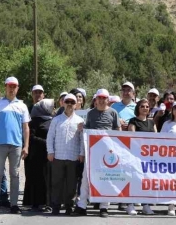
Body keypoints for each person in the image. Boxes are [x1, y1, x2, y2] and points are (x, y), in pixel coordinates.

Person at [0, 77, 30, 215]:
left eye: (14, 86)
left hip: (16, 144)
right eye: (9, 86)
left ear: (17, 88)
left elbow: (26, 128)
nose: (12, 89)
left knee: (15, 175)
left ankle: (14, 205)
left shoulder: (22, 106)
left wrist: (26, 145)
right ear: (5, 87)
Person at [75, 88, 120, 217]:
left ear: (108, 99)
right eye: (99, 98)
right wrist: (82, 129)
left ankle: (104, 207)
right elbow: (87, 132)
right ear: (96, 99)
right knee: (86, 178)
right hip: (92, 151)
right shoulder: (90, 114)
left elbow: (118, 131)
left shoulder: (113, 113)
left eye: (104, 98)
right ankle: (82, 205)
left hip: (108, 152)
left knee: (106, 178)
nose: (101, 100)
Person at [46, 94, 84, 215]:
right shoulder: (56, 120)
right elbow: (50, 137)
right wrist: (50, 151)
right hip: (58, 156)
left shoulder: (80, 121)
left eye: (72, 102)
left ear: (76, 104)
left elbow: (82, 140)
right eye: (67, 101)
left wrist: (82, 153)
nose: (69, 104)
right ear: (63, 103)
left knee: (72, 183)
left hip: (73, 157)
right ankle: (56, 206)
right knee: (56, 182)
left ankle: (69, 206)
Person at [127, 98, 156, 215]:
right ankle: (130, 205)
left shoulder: (152, 122)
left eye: (147, 106)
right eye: (142, 106)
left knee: (146, 181)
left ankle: (146, 205)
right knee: (134, 180)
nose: (145, 108)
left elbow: (157, 139)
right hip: (135, 155)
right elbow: (131, 138)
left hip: (148, 157)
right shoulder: (133, 121)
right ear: (138, 108)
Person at [24, 99, 54, 211]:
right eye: (51, 106)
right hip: (35, 155)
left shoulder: (53, 120)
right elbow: (31, 137)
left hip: (48, 155)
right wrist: (46, 142)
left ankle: (48, 203)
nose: (53, 108)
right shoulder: (33, 122)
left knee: (48, 179)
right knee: (36, 179)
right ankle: (35, 203)